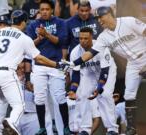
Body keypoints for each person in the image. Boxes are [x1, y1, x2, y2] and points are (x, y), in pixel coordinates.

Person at [0, 9, 67, 135]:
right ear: (24, 22)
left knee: (2, 100)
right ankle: (12, 122)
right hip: (6, 75)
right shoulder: (24, 38)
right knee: (19, 106)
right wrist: (57, 64)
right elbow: (39, 58)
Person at [69, 6, 146, 135]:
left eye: (101, 17)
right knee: (128, 95)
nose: (99, 21)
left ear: (110, 14)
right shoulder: (103, 37)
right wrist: (73, 64)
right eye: (97, 19)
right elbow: (91, 53)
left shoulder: (128, 21)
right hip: (133, 64)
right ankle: (131, 128)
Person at [26, 0, 70, 134]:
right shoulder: (33, 24)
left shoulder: (61, 23)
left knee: (60, 97)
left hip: (56, 65)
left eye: (47, 9)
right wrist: (39, 39)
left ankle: (66, 127)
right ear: (39, 11)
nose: (44, 11)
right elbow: (28, 45)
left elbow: (61, 41)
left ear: (52, 10)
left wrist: (46, 34)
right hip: (39, 66)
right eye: (42, 9)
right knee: (39, 98)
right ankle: (42, 127)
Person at [69, 27, 118, 135]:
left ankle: (112, 129)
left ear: (92, 37)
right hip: (89, 72)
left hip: (107, 71)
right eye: (80, 38)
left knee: (104, 94)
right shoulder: (75, 52)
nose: (83, 41)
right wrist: (73, 89)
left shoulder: (101, 47)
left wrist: (99, 88)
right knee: (82, 94)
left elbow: (104, 71)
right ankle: (85, 129)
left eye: (86, 38)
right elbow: (76, 74)